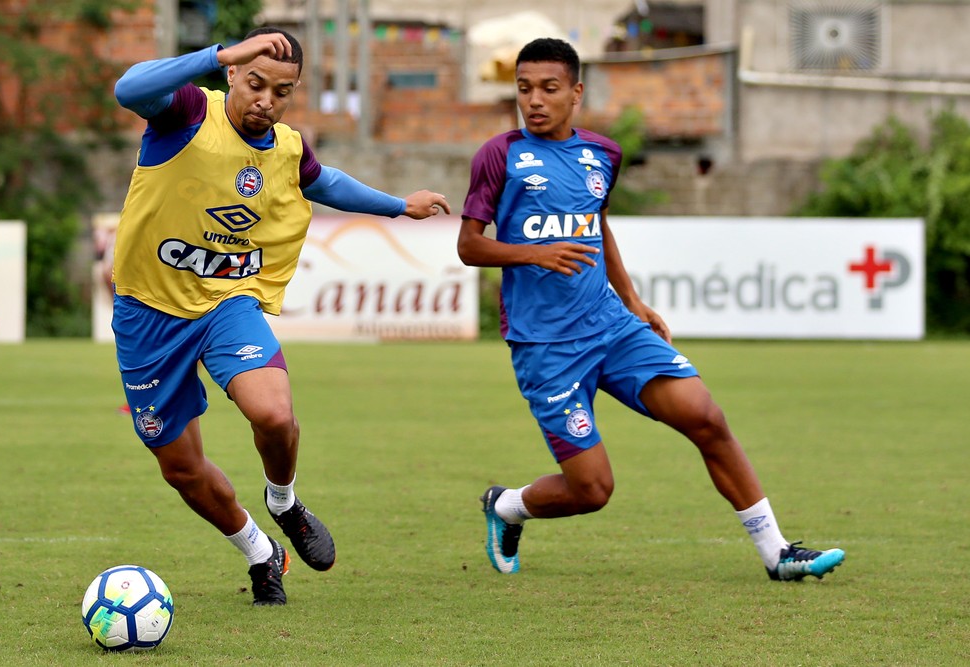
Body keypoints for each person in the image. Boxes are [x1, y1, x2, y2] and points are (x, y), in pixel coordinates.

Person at [458, 38, 844, 581]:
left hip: (609, 324)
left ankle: (777, 553)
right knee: (593, 491)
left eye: (548, 88)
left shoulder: (604, 155)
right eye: (524, 89)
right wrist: (534, 252)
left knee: (706, 418)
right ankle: (506, 506)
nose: (534, 101)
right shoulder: (499, 155)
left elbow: (598, 226)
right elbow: (469, 246)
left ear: (576, 92)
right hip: (546, 345)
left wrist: (633, 300)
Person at [112, 27, 450, 606]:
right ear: (233, 76)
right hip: (149, 313)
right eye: (255, 82)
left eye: (282, 90)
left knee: (273, 414)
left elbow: (324, 184)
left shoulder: (288, 147)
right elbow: (127, 87)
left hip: (226, 303)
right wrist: (216, 55)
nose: (266, 100)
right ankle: (259, 551)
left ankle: (284, 500)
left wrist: (399, 205)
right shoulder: (189, 112)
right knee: (182, 470)